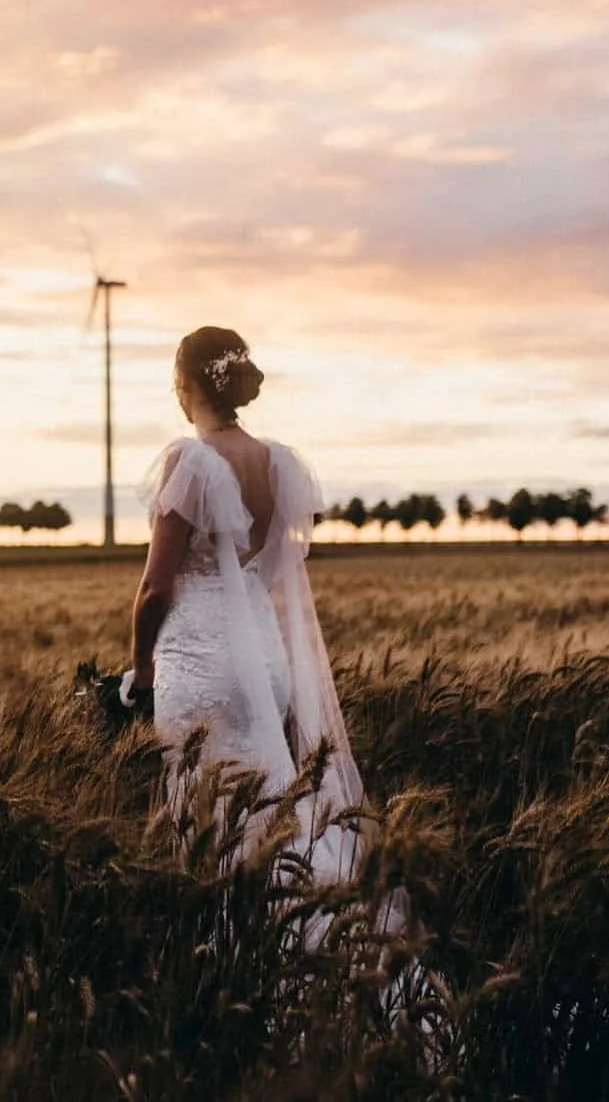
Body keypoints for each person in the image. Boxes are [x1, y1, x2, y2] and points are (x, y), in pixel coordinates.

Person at [126, 327, 373, 890]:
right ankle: (303, 923)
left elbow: (155, 590)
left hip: (201, 660)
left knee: (206, 813)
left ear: (187, 383)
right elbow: (271, 571)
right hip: (265, 657)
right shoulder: (277, 463)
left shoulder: (189, 462)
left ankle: (228, 938)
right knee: (269, 804)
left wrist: (140, 669)